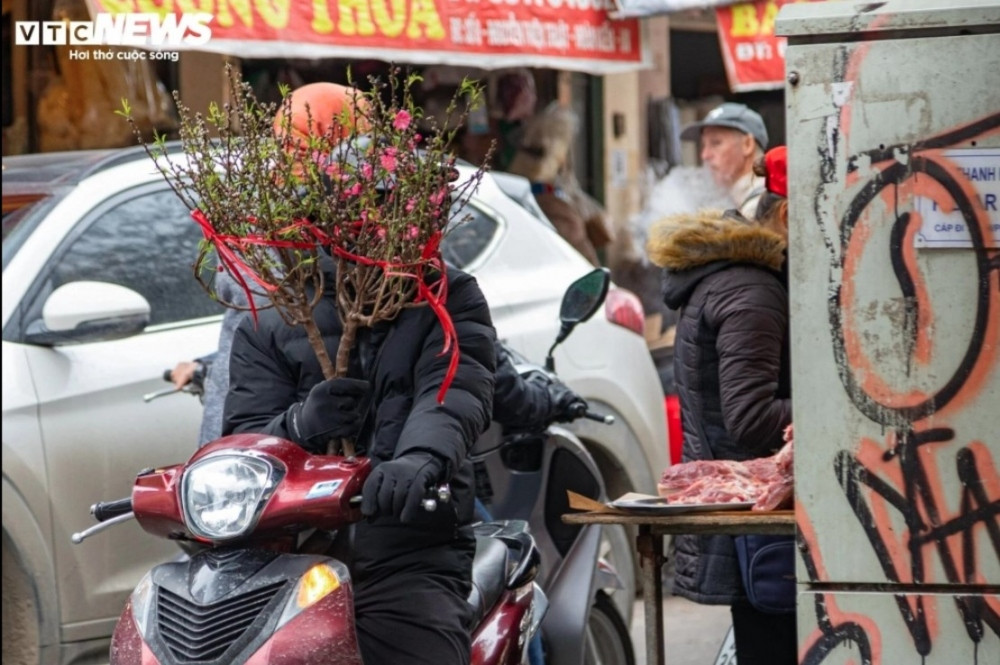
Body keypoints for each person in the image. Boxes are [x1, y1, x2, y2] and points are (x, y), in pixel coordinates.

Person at [645, 145, 795, 665]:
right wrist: (836, 409)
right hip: (756, 531)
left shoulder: (735, 275)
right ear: (787, 215)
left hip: (748, 530)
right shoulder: (753, 290)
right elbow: (751, 418)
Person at [680, 102, 769, 219]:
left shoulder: (760, 206)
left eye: (716, 143)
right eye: (703, 145)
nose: (704, 155)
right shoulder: (742, 199)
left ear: (747, 145)